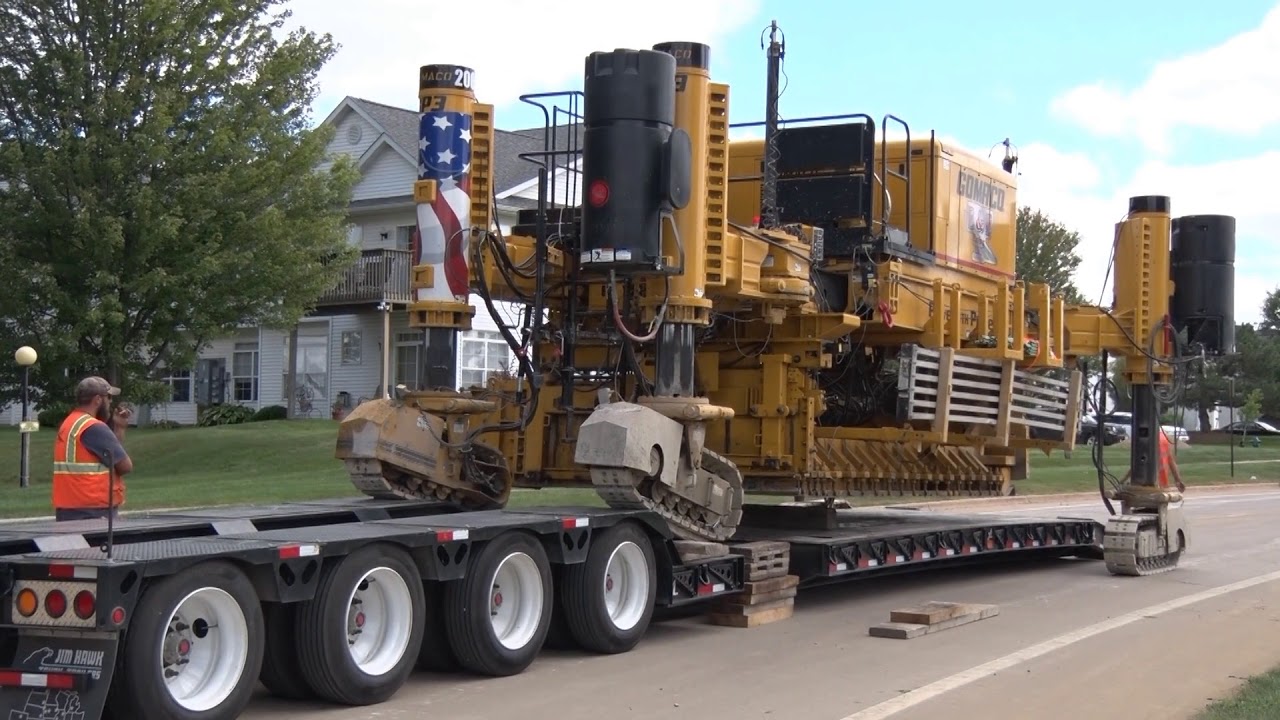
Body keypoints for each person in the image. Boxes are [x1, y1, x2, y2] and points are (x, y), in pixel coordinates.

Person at [52, 376, 134, 521]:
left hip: (69, 508)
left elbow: (111, 455)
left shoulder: (70, 422)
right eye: (108, 397)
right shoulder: (94, 427)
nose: (110, 402)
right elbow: (125, 466)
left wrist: (119, 428)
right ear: (97, 400)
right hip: (93, 510)